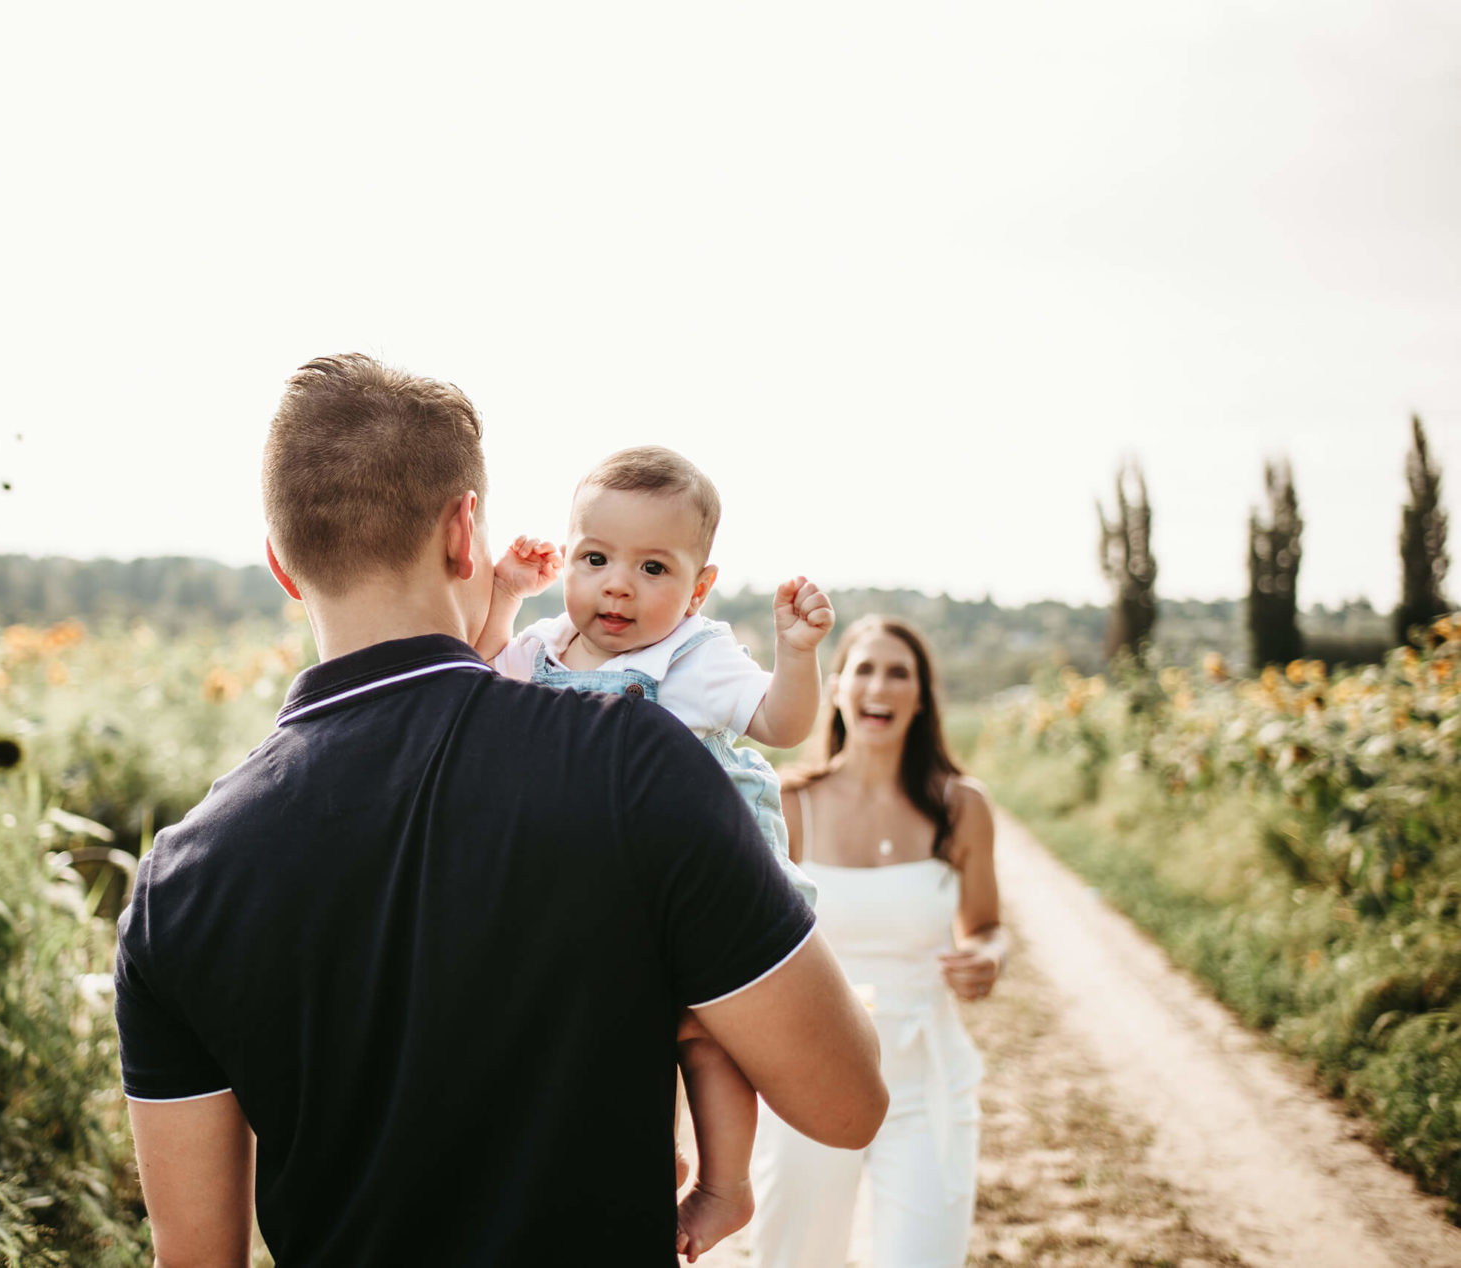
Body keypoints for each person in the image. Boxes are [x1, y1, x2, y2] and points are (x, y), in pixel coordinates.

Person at [114, 353, 887, 1268]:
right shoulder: (635, 763)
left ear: (283, 565)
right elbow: (847, 1105)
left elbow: (195, 1259)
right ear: (462, 533)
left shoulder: (176, 886)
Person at [476, 446, 833, 1260]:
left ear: (699, 588)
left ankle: (725, 1184)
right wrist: (504, 596)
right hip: (606, 884)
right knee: (622, 1020)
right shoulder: (542, 648)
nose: (618, 586)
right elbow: (481, 677)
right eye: (596, 559)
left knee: (705, 1033)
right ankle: (654, 1149)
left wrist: (798, 655)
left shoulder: (693, 656)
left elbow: (780, 724)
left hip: (708, 877)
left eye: (653, 568)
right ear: (568, 558)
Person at [748, 616, 1007, 1268]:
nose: (880, 687)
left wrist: (987, 956)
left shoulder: (962, 807)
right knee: (795, 1259)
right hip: (809, 1080)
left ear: (921, 698)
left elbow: (985, 925)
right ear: (836, 688)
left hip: (926, 1085)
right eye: (864, 669)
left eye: (899, 673)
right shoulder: (789, 804)